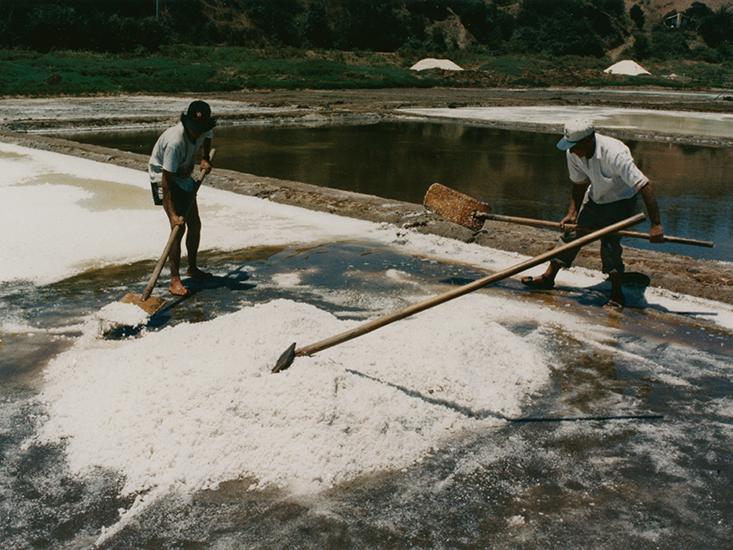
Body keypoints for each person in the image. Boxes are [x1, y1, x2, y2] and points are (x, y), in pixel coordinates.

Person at [521, 118, 664, 309]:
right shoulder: (572, 152)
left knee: (610, 244)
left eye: (574, 147)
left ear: (588, 142)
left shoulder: (615, 153)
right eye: (569, 147)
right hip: (595, 197)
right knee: (571, 234)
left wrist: (656, 225)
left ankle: (616, 294)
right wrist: (572, 212)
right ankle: (548, 278)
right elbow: (579, 183)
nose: (571, 151)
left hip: (621, 202)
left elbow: (644, 185)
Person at [149, 100, 216, 296]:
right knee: (178, 228)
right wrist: (171, 214)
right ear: (186, 122)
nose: (198, 132)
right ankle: (174, 280)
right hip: (163, 176)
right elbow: (166, 181)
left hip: (183, 174)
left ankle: (192, 268)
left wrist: (205, 158)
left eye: (201, 127)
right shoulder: (175, 142)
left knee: (194, 224)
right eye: (194, 127)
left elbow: (208, 137)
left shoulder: (203, 129)